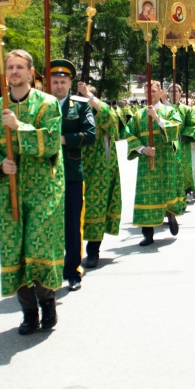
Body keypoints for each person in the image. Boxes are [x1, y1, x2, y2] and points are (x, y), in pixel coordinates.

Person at [0, 49, 64, 335]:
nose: (14, 72)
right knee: (16, 251)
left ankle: (48, 303)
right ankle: (28, 312)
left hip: (43, 191)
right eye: (10, 67)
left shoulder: (47, 104)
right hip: (10, 191)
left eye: (19, 67)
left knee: (39, 248)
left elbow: (52, 142)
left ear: (30, 72)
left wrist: (19, 127)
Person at [49, 59, 96, 291]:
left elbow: (90, 134)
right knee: (46, 225)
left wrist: (64, 140)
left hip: (71, 174)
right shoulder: (41, 106)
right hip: (45, 174)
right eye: (55, 82)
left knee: (72, 225)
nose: (59, 86)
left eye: (63, 82)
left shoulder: (80, 106)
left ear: (70, 84)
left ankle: (73, 271)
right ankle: (48, 271)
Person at [124, 80, 182, 247]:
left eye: (154, 91)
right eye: (147, 91)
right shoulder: (138, 115)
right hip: (146, 162)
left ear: (161, 92)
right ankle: (147, 234)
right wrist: (143, 149)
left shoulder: (169, 111)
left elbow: (175, 129)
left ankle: (170, 215)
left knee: (166, 192)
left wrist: (157, 118)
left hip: (165, 160)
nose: (150, 94)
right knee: (146, 196)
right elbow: (129, 133)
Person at [78, 82, 122, 269]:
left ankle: (93, 251)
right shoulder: (73, 112)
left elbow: (113, 124)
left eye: (88, 97)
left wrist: (89, 96)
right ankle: (73, 253)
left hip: (99, 168)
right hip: (76, 165)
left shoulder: (102, 112)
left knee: (96, 208)